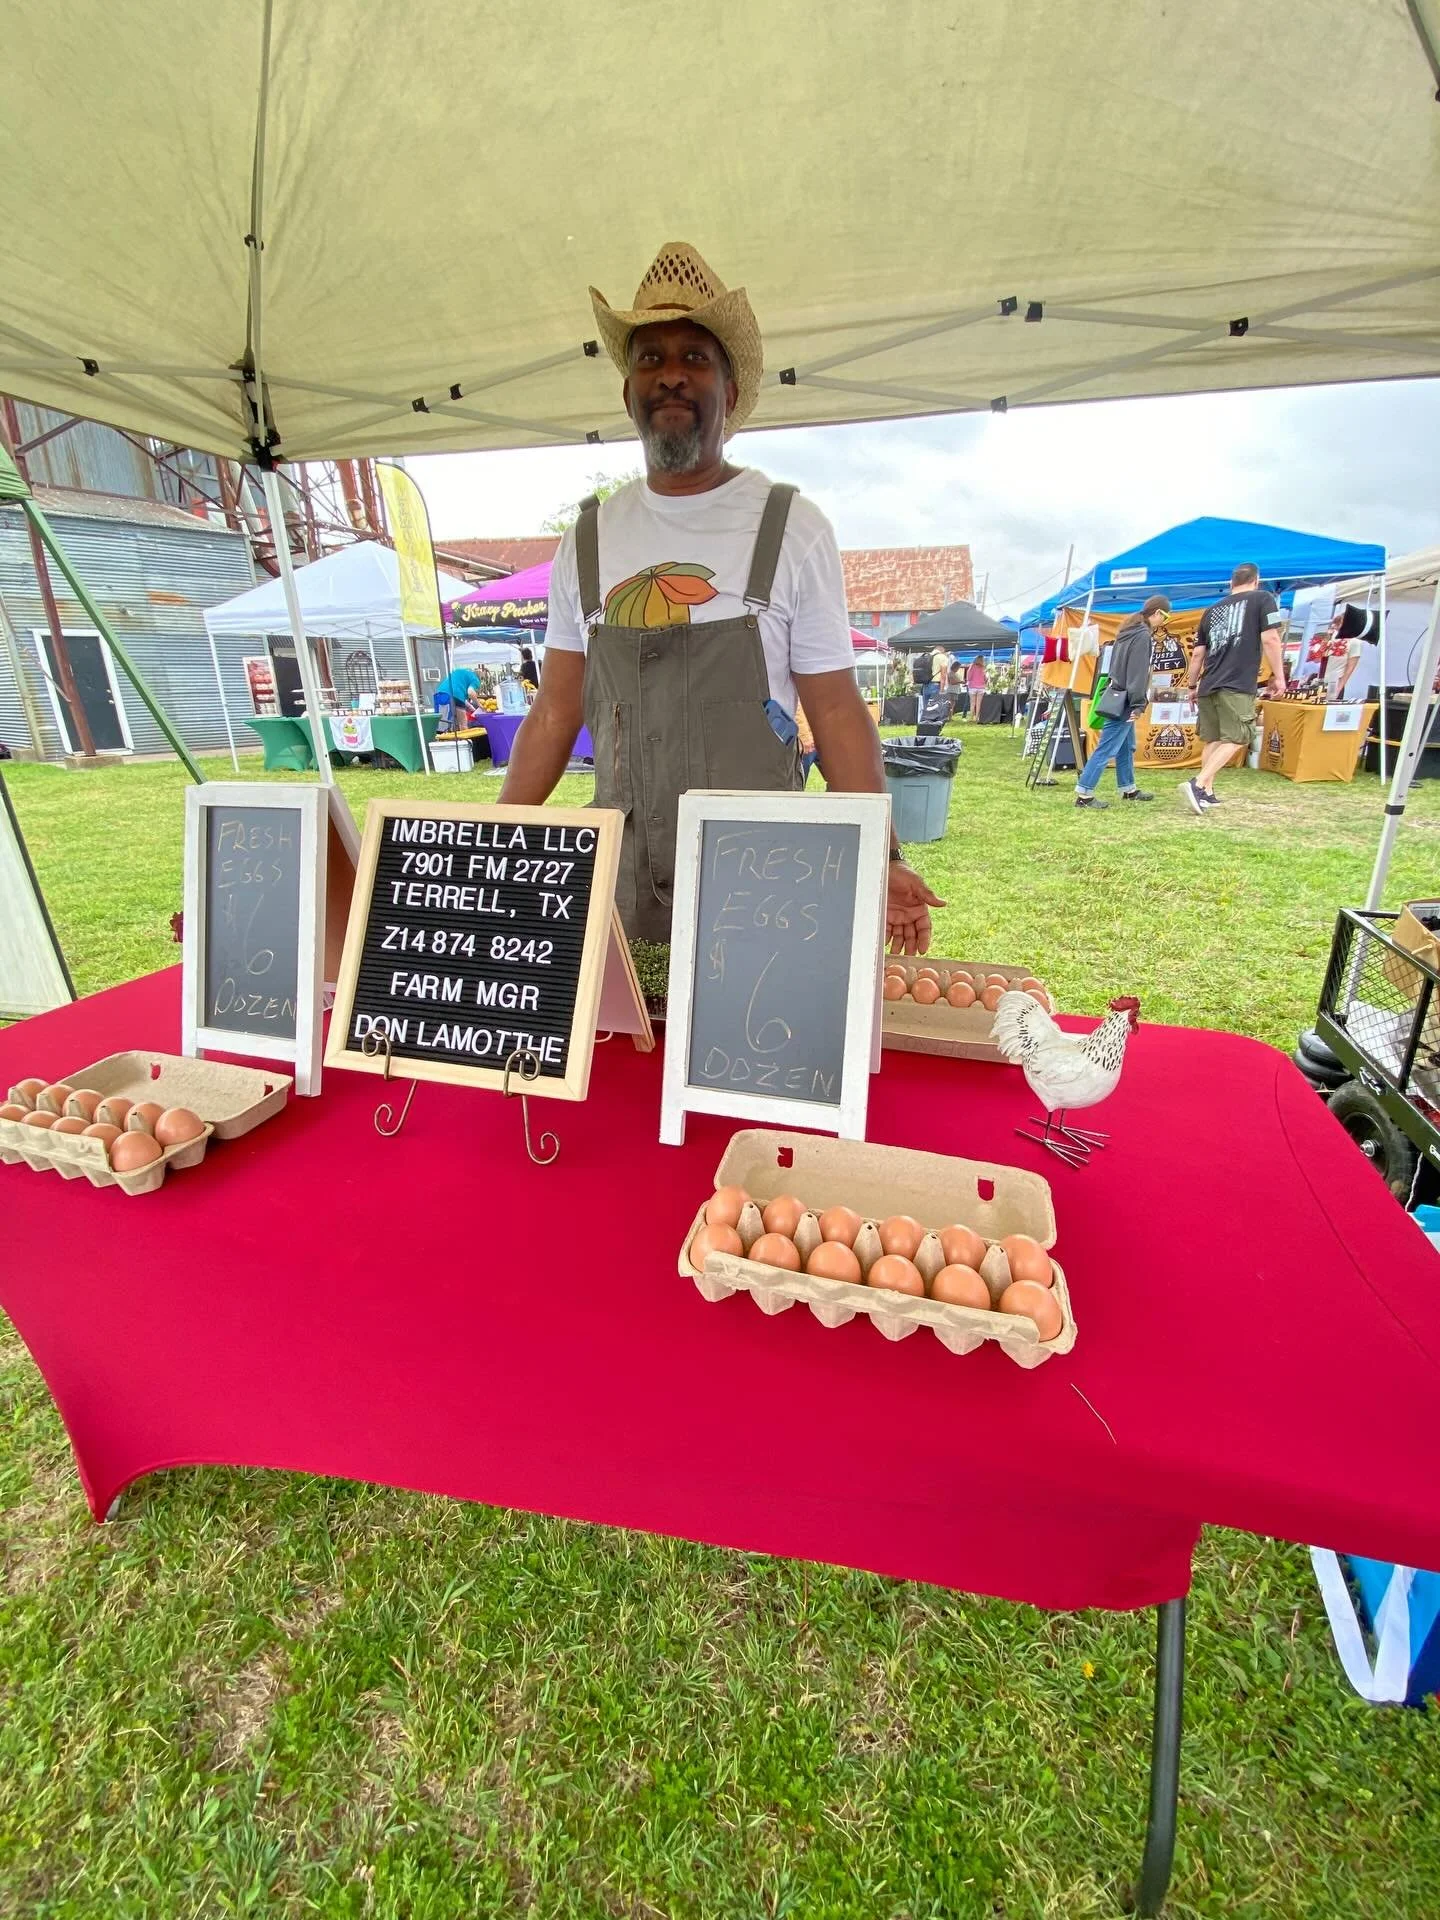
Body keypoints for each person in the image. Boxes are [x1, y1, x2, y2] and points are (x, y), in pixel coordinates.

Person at [497, 240, 943, 952]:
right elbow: (555, 710)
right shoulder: (587, 539)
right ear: (628, 392)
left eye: (694, 358)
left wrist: (881, 852)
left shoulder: (790, 526)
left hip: (764, 893)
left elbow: (833, 709)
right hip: (621, 891)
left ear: (729, 393)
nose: (670, 376)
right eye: (650, 359)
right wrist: (494, 840)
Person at [1181, 563, 1288, 812]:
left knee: (1214, 738)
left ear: (1231, 583)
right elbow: (1271, 638)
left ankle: (1207, 790)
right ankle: (1198, 784)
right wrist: (1279, 676)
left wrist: (1192, 685)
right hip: (1237, 682)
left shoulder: (1211, 610)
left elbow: (1198, 654)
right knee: (1240, 734)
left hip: (1209, 682)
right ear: (1257, 580)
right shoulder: (1263, 599)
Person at [1073, 596, 1171, 809]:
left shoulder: (1126, 632)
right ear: (1157, 614)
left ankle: (1128, 788)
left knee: (1126, 746)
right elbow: (1137, 673)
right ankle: (1084, 793)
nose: (1164, 621)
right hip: (1126, 699)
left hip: (1118, 694)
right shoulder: (1142, 636)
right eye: (1165, 616)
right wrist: (1138, 703)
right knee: (1106, 748)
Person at [435, 664, 482, 729]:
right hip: (456, 694)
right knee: (463, 723)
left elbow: (458, 698)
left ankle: (444, 736)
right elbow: (470, 692)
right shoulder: (475, 679)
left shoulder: (460, 671)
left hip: (440, 693)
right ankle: (465, 738)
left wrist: (470, 707)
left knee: (443, 721)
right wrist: (479, 704)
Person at [966, 655, 987, 720]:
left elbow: (968, 677)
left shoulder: (972, 666)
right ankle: (977, 717)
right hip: (981, 687)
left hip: (972, 687)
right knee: (979, 704)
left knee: (972, 703)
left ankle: (971, 717)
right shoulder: (983, 668)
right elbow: (985, 678)